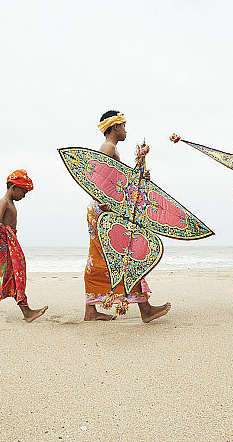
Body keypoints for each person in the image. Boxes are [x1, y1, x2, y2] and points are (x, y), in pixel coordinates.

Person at [83, 111, 171, 322]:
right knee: (129, 255)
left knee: (101, 259)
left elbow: (119, 183)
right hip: (105, 209)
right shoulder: (108, 147)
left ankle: (91, 310)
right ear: (115, 127)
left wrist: (139, 174)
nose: (126, 130)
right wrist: (105, 204)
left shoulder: (112, 149)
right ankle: (145, 310)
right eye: (124, 126)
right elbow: (98, 178)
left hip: (104, 209)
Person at [0, 170, 48, 322]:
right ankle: (27, 313)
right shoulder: (4, 202)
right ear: (13, 188)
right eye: (23, 191)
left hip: (8, 245)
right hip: (1, 247)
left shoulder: (10, 203)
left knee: (3, 276)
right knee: (6, 276)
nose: (24, 195)